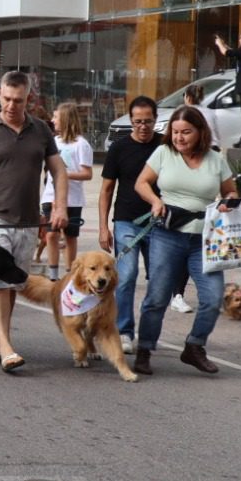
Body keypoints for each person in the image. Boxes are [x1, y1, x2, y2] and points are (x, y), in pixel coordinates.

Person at [0, 70, 67, 373]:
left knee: (14, 283)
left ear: (28, 99)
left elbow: (59, 170)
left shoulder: (41, 130)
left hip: (29, 220)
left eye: (18, 100)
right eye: (6, 98)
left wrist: (59, 206)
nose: (11, 105)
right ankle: (7, 348)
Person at [131, 106, 238, 376]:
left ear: (200, 132)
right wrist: (155, 201)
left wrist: (228, 203)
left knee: (213, 298)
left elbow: (231, 191)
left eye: (186, 132)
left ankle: (194, 346)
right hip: (168, 234)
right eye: (175, 132)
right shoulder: (164, 153)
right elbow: (142, 183)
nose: (179, 138)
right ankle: (144, 349)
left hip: (205, 238)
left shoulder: (215, 159)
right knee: (157, 297)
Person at [98, 95, 163, 355]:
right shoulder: (119, 148)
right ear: (130, 121)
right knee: (126, 277)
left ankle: (149, 334)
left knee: (159, 280)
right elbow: (105, 190)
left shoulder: (165, 146)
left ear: (155, 120)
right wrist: (104, 227)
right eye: (138, 122)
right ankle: (124, 331)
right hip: (126, 221)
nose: (143, 127)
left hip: (159, 223)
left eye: (148, 122)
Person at [39, 101, 93, 279]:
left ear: (65, 119)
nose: (53, 120)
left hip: (73, 199)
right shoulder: (53, 141)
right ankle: (53, 274)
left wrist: (64, 174)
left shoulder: (81, 144)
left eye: (56, 117)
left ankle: (70, 273)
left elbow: (87, 173)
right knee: (51, 235)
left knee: (70, 236)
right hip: (50, 196)